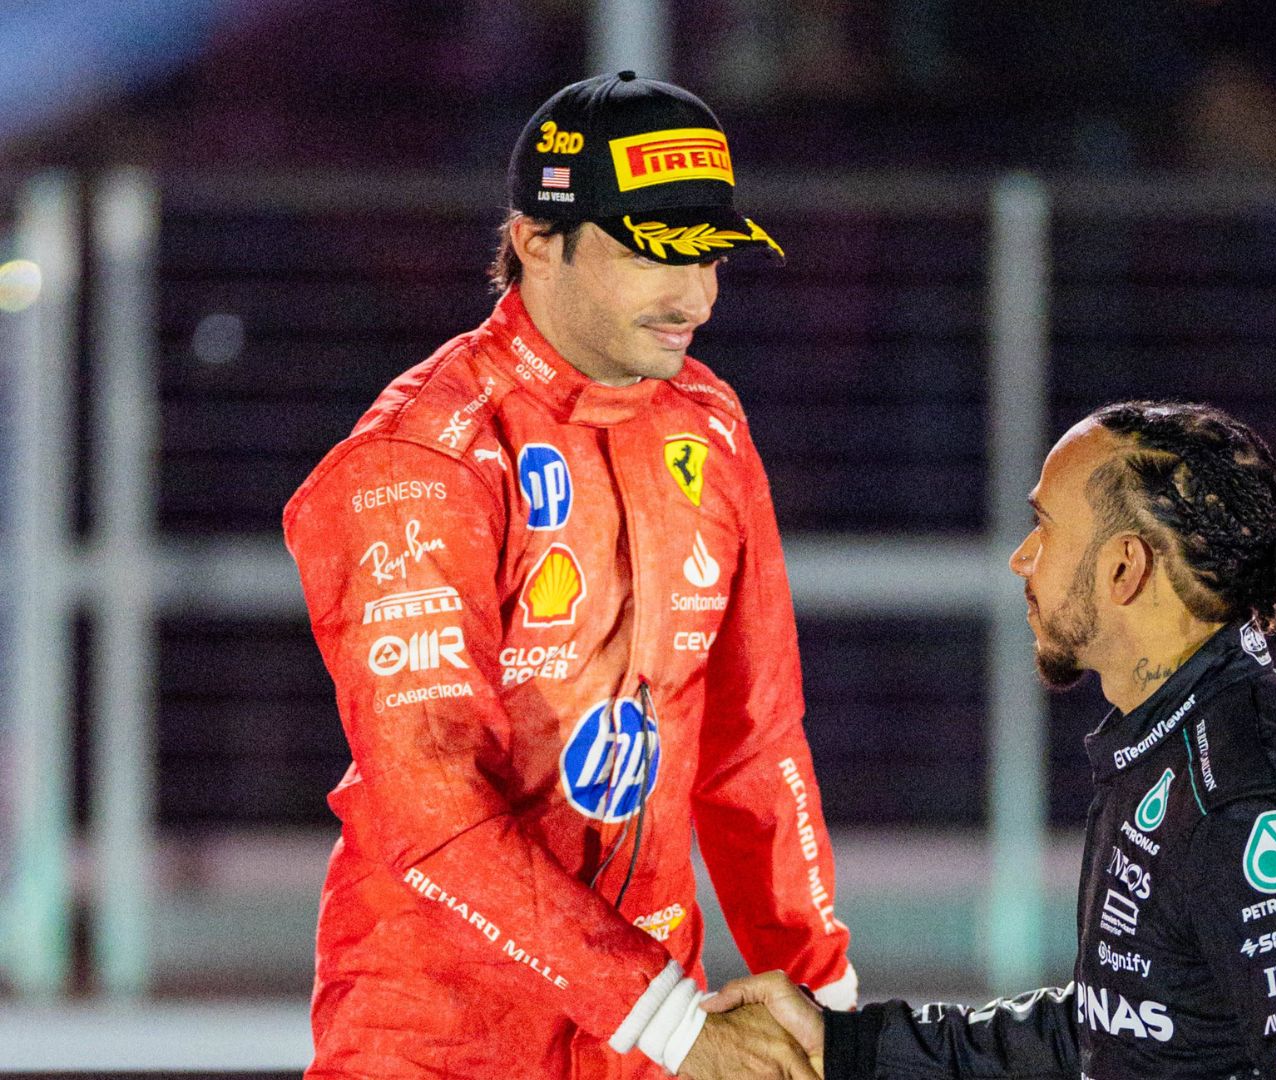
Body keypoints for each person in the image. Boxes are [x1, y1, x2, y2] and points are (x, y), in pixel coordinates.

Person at [283, 72, 854, 1080]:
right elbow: (435, 805)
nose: (698, 298)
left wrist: (828, 1005)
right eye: (655, 255)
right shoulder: (420, 461)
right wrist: (673, 1022)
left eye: (711, 256)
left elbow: (754, 745)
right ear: (536, 241)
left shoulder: (710, 423)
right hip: (440, 1039)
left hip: (648, 1033)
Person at [704, 401, 1276, 1078]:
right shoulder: (1178, 742)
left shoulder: (1248, 792)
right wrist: (847, 1049)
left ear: (1124, 568)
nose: (1023, 558)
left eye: (1045, 527)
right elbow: (1112, 1028)